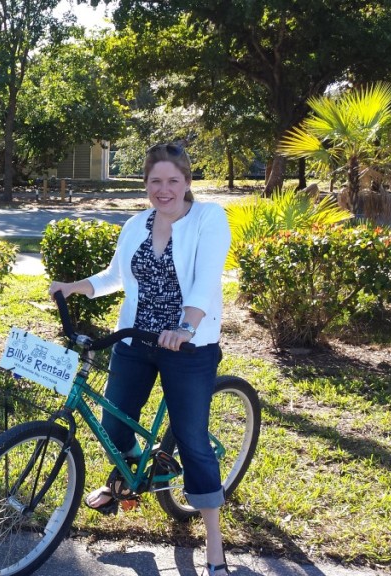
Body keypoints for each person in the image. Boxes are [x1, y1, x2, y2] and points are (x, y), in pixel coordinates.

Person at [48, 143, 232, 576]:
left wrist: (186, 327)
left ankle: (215, 545)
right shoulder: (136, 224)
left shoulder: (209, 219)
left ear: (187, 181)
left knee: (193, 440)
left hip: (188, 345)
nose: (163, 190)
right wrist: (74, 287)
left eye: (172, 180)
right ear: (145, 184)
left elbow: (206, 281)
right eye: (155, 182)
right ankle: (130, 474)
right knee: (113, 424)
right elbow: (115, 277)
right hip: (136, 339)